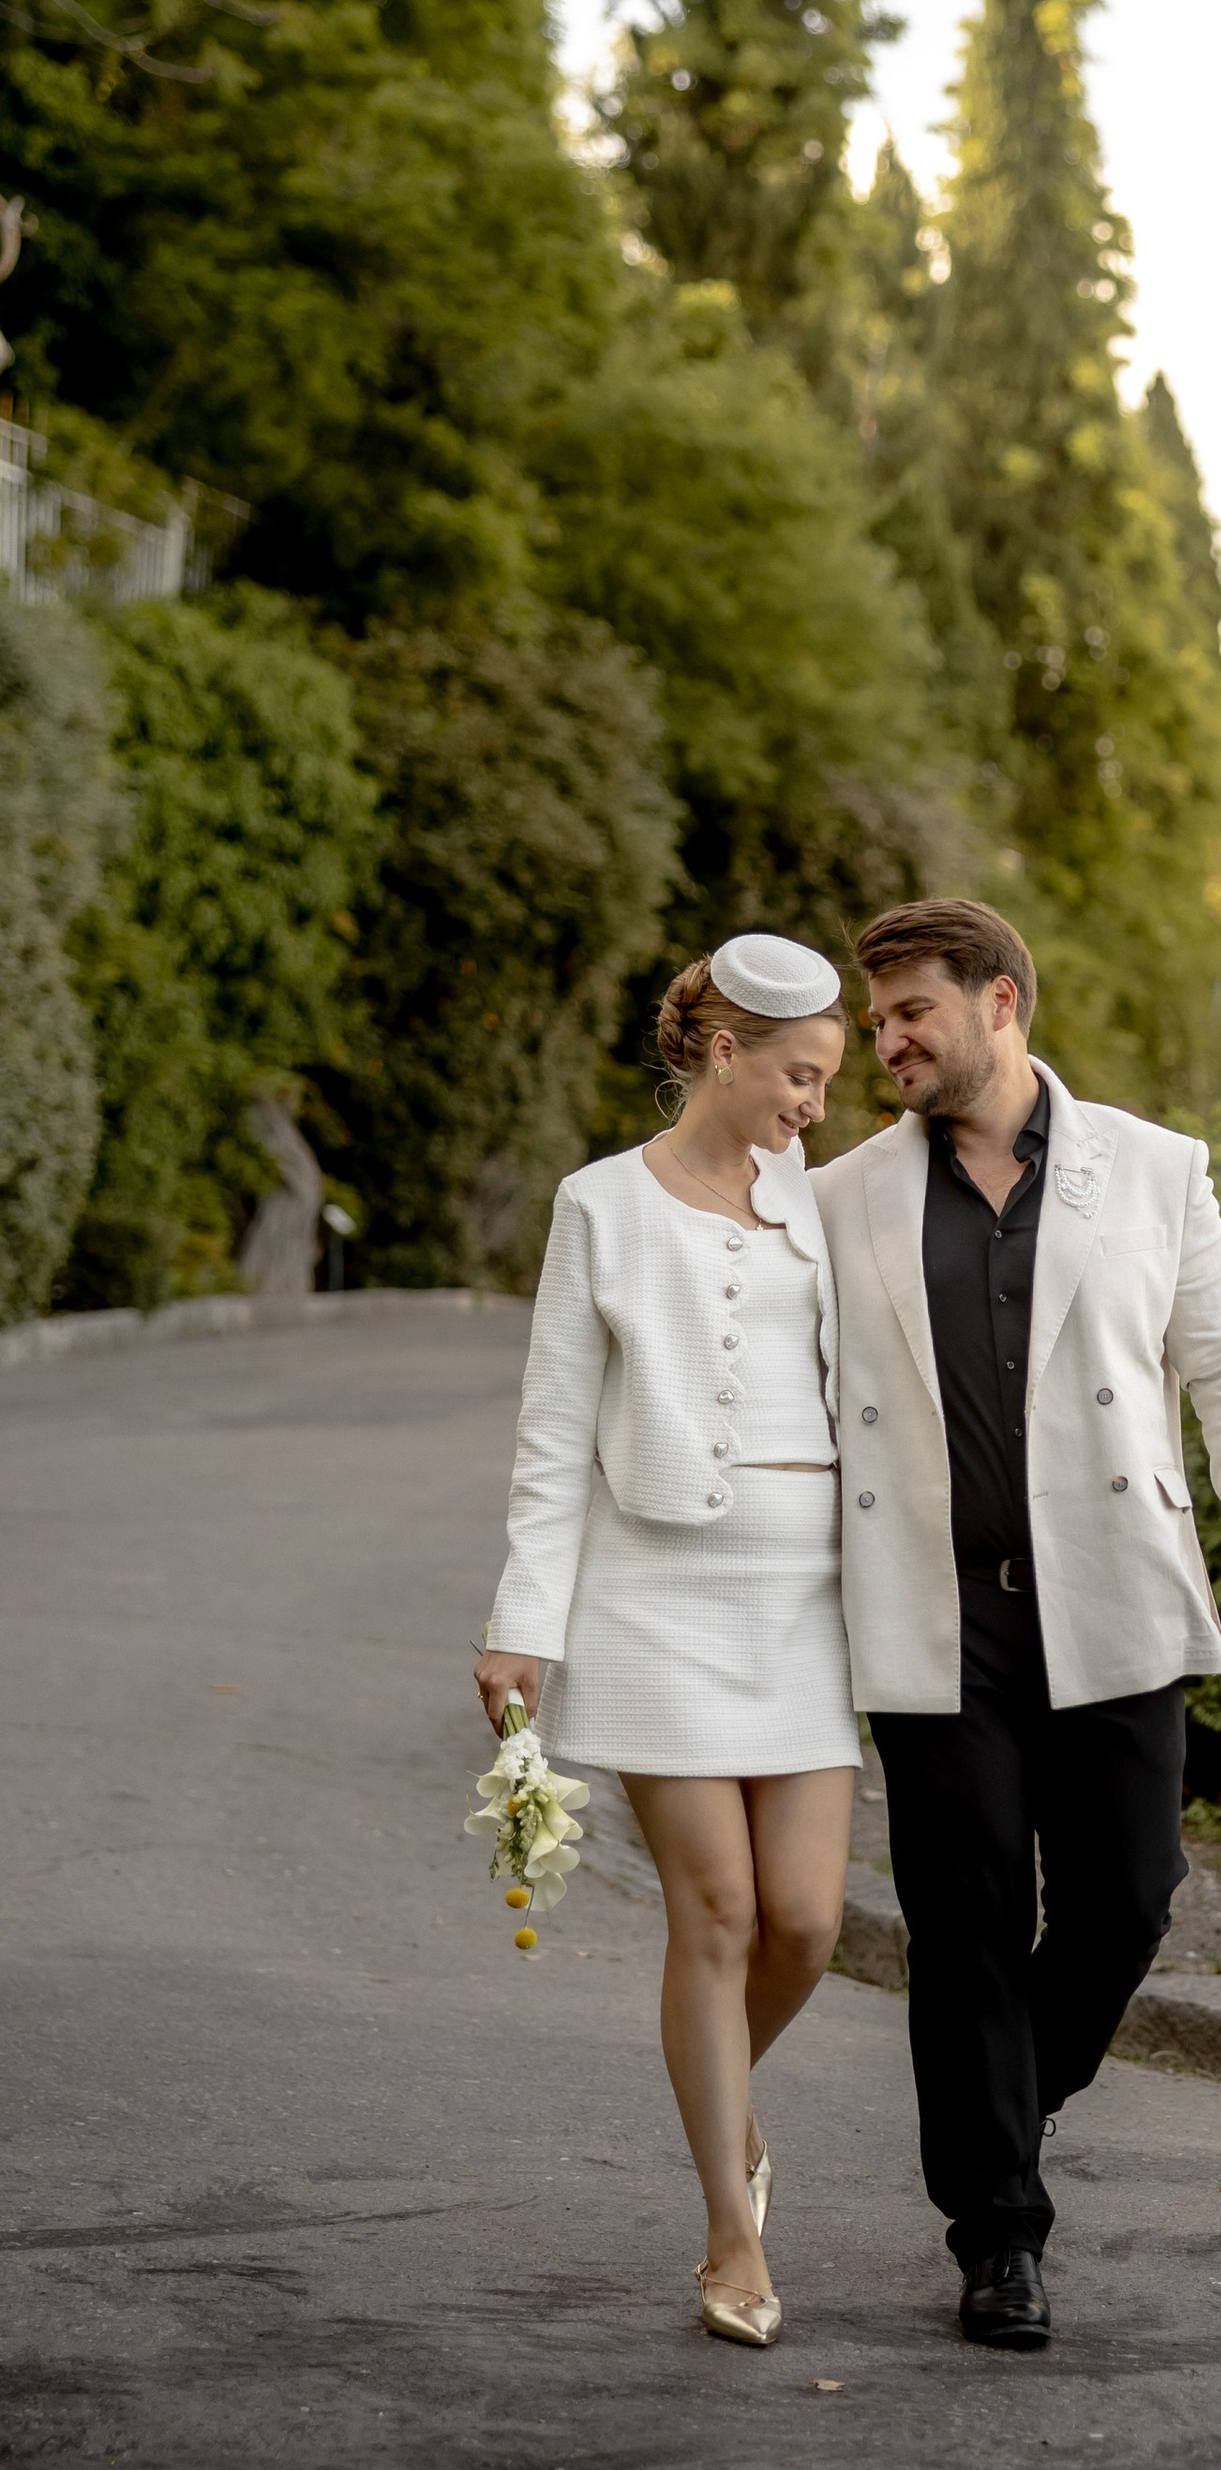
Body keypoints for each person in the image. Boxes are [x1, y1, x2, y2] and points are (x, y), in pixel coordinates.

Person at [814, 897, 1221, 2352]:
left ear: (1002, 1004)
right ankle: (1000, 2234)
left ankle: (1003, 2092)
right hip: (935, 1611)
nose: (889, 1041)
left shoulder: (1156, 1172)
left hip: (1111, 1592)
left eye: (914, 1011)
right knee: (964, 1921)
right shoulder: (844, 1195)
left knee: (1129, 1895)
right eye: (877, 1021)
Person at [477, 933, 859, 2354]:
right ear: (724, 1054)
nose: (815, 1105)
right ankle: (728, 2224)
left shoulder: (828, 1211)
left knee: (810, 1922)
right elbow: (552, 1430)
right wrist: (524, 1624)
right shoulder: (600, 1209)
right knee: (720, 1916)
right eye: (801, 1076)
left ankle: (722, 2104)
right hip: (654, 1597)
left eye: (828, 1080)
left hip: (809, 1603)